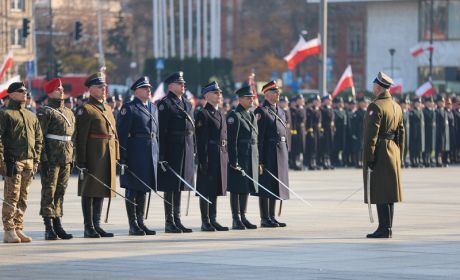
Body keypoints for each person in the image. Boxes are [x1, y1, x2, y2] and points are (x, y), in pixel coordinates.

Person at [75, 72, 119, 238]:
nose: (104, 89)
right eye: (100, 87)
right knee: (89, 190)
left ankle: (97, 225)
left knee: (101, 189)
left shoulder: (107, 108)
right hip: (93, 154)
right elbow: (81, 137)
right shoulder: (85, 109)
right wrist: (81, 161)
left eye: (104, 86)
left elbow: (114, 133)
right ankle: (88, 226)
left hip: (107, 153)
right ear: (91, 89)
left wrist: (117, 155)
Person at [0, 81, 43, 243]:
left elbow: (39, 139)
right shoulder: (5, 114)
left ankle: (18, 227)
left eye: (25, 91)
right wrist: (2, 161)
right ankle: (9, 230)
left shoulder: (31, 115)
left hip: (29, 161)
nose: (24, 93)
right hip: (13, 161)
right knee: (11, 196)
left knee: (23, 197)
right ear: (11, 94)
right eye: (20, 91)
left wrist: (36, 159)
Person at [363, 72, 404, 239]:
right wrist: (400, 154)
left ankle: (383, 228)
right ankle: (388, 227)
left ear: (378, 87)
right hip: (393, 150)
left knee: (380, 190)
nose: (373, 88)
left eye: (374, 85)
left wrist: (369, 158)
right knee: (390, 192)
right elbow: (401, 133)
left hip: (380, 151)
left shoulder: (376, 106)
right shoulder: (396, 106)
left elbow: (370, 136)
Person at [117, 76, 158, 236]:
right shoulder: (129, 108)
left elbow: (156, 133)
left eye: (149, 88)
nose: (149, 90)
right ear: (137, 91)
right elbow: (121, 134)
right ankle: (133, 224)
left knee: (143, 189)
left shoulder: (153, 108)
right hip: (134, 153)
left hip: (149, 153)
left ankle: (141, 222)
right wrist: (123, 157)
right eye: (145, 88)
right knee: (133, 189)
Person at [37, 78, 75, 240]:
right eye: (57, 89)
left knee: (61, 190)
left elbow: (72, 137)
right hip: (51, 158)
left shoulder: (68, 112)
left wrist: (73, 156)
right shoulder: (45, 112)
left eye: (61, 88)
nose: (61, 91)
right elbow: (40, 137)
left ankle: (58, 223)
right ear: (50, 92)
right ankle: (48, 226)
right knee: (49, 191)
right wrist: (43, 158)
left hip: (66, 156)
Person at [157, 71, 195, 233]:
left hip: (186, 147)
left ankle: (177, 220)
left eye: (184, 83)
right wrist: (162, 155)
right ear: (171, 86)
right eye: (180, 83)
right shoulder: (165, 104)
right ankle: (169, 221)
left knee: (180, 185)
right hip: (172, 148)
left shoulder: (187, 104)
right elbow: (162, 131)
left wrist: (193, 150)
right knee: (171, 185)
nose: (183, 86)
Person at [254, 81, 289, 228]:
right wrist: (260, 160)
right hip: (267, 152)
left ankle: (272, 216)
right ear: (266, 94)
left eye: (278, 91)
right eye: (274, 92)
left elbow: (285, 134)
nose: (278, 94)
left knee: (276, 184)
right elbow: (258, 137)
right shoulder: (261, 111)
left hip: (280, 152)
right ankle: (264, 217)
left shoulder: (281, 111)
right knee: (265, 185)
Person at [195, 81, 229, 232]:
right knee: (205, 190)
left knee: (215, 189)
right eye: (216, 93)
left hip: (220, 154)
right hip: (209, 154)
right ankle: (205, 221)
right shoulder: (203, 113)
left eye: (220, 93)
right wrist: (203, 160)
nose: (219, 95)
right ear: (207, 96)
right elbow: (201, 140)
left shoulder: (220, 112)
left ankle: (213, 219)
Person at [226, 86, 259, 230]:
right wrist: (234, 161)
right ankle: (235, 218)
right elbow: (232, 141)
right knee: (236, 188)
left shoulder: (251, 115)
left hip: (250, 156)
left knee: (246, 187)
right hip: (240, 156)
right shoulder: (235, 115)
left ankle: (243, 216)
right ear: (240, 99)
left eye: (252, 97)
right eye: (248, 97)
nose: (251, 99)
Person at [289, 95, 306, 170]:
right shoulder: (294, 109)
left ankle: (299, 163)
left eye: (302, 99)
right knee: (295, 148)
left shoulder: (303, 109)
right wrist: (294, 130)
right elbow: (294, 121)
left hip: (302, 131)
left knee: (300, 147)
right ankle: (295, 163)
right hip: (296, 130)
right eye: (300, 99)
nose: (302, 101)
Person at [305, 95, 322, 170]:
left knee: (316, 147)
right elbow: (309, 122)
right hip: (312, 131)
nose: (318, 102)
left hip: (317, 130)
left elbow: (320, 121)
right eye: (316, 101)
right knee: (312, 147)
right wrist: (310, 131)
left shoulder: (318, 109)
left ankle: (315, 162)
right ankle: (311, 163)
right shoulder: (310, 110)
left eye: (318, 101)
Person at [319, 94, 335, 169]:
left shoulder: (331, 109)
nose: (329, 101)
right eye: (328, 100)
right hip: (325, 129)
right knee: (325, 146)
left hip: (330, 130)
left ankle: (329, 161)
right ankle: (324, 162)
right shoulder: (322, 109)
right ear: (325, 101)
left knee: (330, 146)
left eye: (330, 100)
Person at [409, 97, 425, 168]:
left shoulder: (421, 111)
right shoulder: (412, 112)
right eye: (417, 102)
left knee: (418, 147)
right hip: (413, 132)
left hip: (420, 132)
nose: (419, 104)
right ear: (414, 103)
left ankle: (418, 160)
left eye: (419, 102)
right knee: (413, 148)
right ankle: (413, 161)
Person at [422, 96, 436, 167]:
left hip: (432, 131)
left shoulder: (433, 111)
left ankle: (430, 158)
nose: (431, 103)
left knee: (431, 146)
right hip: (426, 131)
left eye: (432, 102)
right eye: (429, 102)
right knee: (426, 146)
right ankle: (425, 160)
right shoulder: (424, 111)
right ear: (426, 103)